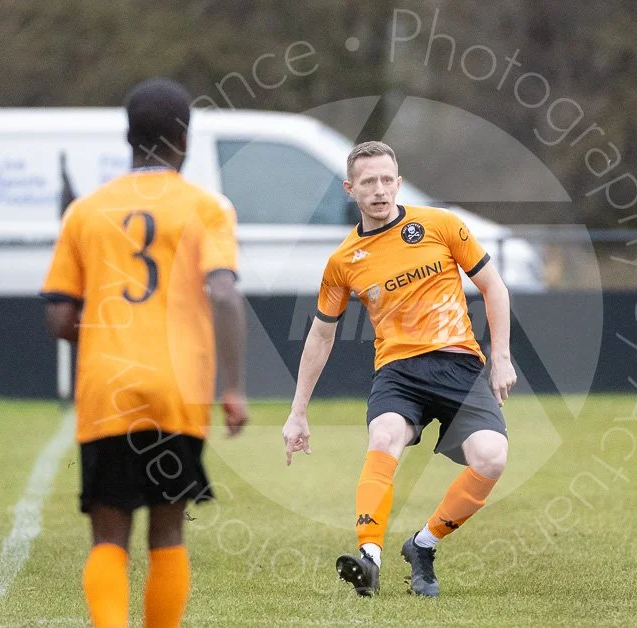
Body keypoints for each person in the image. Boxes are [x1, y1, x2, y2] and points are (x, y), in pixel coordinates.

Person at [40, 78, 249, 628]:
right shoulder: (207, 208)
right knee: (168, 531)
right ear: (184, 138)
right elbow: (224, 293)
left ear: (128, 137)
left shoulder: (86, 211)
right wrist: (233, 385)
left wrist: (113, 335)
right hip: (178, 388)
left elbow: (60, 318)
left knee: (109, 535)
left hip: (108, 387)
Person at [282, 141, 517, 598]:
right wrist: (298, 412)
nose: (379, 190)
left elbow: (494, 287)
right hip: (399, 371)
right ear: (350, 189)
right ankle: (369, 556)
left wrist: (501, 356)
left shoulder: (440, 224)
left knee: (492, 458)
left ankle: (423, 545)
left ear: (399, 182)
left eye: (387, 179)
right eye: (368, 182)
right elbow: (321, 335)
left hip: (460, 366)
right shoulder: (344, 261)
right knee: (384, 436)